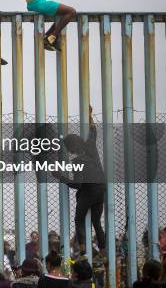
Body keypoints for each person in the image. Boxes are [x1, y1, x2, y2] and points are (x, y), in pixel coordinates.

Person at [53, 105, 106, 258]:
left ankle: (83, 251)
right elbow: (93, 130)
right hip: (100, 189)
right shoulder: (91, 146)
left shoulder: (77, 162)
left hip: (88, 193)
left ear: (71, 148)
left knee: (79, 220)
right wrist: (90, 114)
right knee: (97, 223)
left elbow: (78, 185)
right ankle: (103, 254)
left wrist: (60, 177)